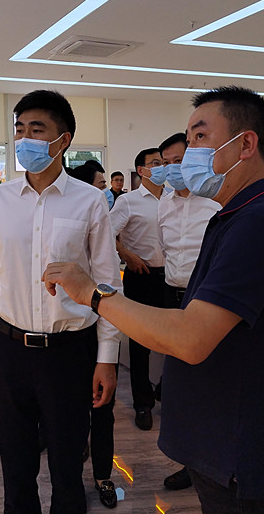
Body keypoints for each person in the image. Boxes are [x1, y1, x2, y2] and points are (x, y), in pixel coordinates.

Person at [44, 86, 264, 513]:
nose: (189, 154)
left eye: (200, 138)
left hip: (247, 454)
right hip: (227, 444)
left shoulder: (261, 221)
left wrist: (93, 294)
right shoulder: (238, 214)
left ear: (246, 144)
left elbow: (190, 338)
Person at [0, 89, 122, 514]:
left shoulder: (90, 201)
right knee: (16, 467)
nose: (25, 139)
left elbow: (108, 285)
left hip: (68, 352)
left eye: (37, 130)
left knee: (67, 467)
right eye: (19, 130)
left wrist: (107, 358)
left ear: (63, 139)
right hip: (9, 349)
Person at [155, 131, 220, 492]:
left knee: (209, 383)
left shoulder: (215, 201)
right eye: (166, 163)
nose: (172, 169)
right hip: (172, 295)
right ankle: (190, 461)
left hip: (206, 301)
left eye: (178, 161)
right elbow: (166, 250)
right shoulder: (164, 203)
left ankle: (210, 463)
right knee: (181, 385)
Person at [69, 161, 120, 509]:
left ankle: (103, 475)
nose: (105, 190)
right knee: (71, 415)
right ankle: (71, 477)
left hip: (97, 328)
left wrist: (109, 354)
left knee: (102, 409)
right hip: (69, 336)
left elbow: (109, 284)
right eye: (101, 184)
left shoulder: (98, 216)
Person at [108, 147, 166, 431]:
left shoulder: (174, 198)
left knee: (174, 340)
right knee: (140, 345)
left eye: (164, 162)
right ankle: (143, 404)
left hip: (172, 278)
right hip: (141, 276)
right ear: (141, 171)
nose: (163, 167)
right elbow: (106, 234)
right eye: (156, 163)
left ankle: (165, 389)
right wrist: (127, 255)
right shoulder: (128, 201)